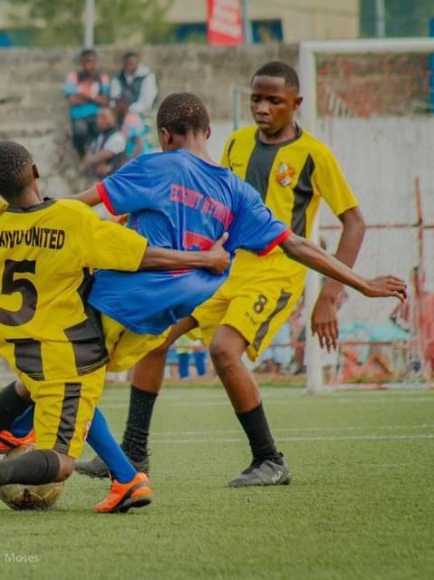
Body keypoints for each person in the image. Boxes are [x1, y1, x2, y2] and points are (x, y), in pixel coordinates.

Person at [0, 82, 234, 523]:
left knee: (28, 390)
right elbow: (143, 255)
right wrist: (203, 257)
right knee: (62, 457)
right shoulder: (72, 220)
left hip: (20, 344)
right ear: (35, 172)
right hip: (71, 350)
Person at [78, 61, 386, 487]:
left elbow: (349, 223)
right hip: (225, 266)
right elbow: (199, 197)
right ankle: (134, 452)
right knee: (157, 337)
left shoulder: (315, 155)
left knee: (224, 350)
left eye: (273, 101)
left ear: (296, 103)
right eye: (256, 99)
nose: (262, 108)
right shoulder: (236, 145)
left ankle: (269, 459)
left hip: (276, 272)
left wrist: (330, 296)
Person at [64, 49, 111, 157]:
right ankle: (83, 157)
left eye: (91, 61)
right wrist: (94, 97)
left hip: (97, 115)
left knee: (103, 132)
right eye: (86, 61)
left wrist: (83, 94)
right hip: (78, 116)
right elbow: (72, 100)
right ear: (82, 62)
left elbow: (104, 101)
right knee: (80, 132)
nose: (89, 65)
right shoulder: (74, 76)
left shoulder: (102, 78)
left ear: (96, 62)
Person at [80, 107, 126, 179]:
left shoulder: (118, 138)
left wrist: (90, 160)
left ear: (114, 117)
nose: (100, 121)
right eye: (98, 118)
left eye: (104, 117)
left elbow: (99, 158)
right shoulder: (100, 136)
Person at [109, 51, 158, 118]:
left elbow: (146, 103)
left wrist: (129, 109)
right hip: (121, 115)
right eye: (128, 63)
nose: (130, 65)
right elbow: (113, 98)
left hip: (144, 116)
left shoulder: (147, 76)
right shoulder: (118, 78)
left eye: (132, 63)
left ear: (137, 62)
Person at [115, 94, 146, 159]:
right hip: (128, 157)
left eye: (119, 103)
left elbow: (139, 144)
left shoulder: (132, 119)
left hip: (138, 158)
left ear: (125, 104)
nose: (116, 105)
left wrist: (131, 160)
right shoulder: (121, 118)